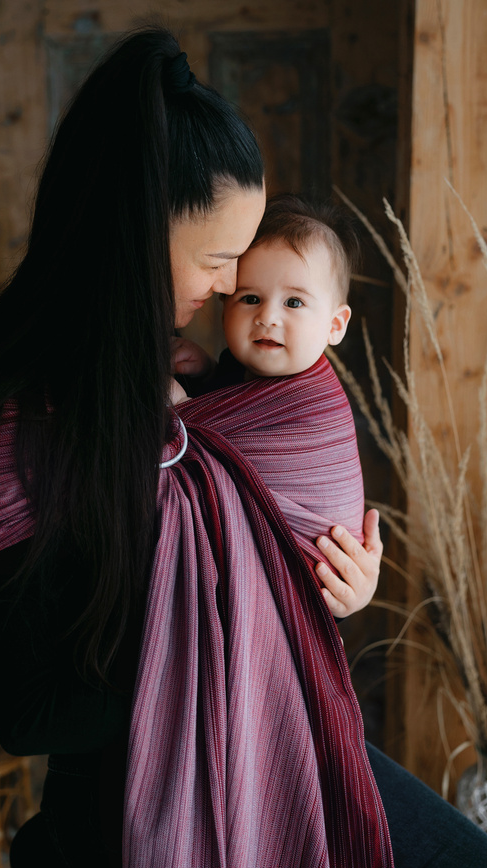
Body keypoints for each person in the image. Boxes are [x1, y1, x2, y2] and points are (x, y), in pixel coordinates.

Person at [0, 26, 487, 868]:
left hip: (276, 718)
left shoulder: (160, 367)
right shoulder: (17, 427)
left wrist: (330, 582)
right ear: (134, 235)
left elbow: (261, 488)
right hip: (149, 781)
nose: (230, 289)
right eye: (219, 260)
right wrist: (237, 621)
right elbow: (27, 710)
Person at [172, 193, 367, 615]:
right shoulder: (233, 370)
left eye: (293, 302)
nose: (268, 317)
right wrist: (205, 375)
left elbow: (209, 454)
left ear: (335, 325)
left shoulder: (314, 410)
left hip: (304, 588)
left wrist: (179, 411)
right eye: (250, 298)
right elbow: (225, 437)